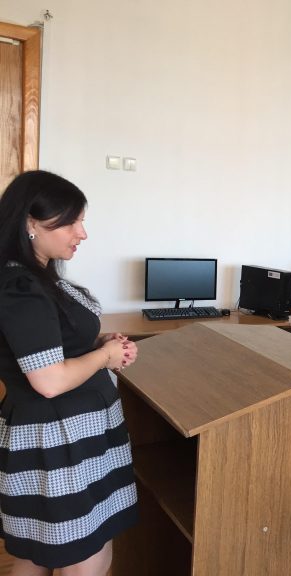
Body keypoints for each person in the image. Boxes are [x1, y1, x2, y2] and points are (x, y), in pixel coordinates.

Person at [0, 171, 139, 575]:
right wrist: (105, 356)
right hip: (58, 440)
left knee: (39, 550)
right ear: (30, 222)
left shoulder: (36, 277)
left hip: (74, 435)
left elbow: (46, 345)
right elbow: (49, 380)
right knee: (84, 553)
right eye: (71, 222)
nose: (82, 233)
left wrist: (96, 345)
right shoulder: (21, 287)